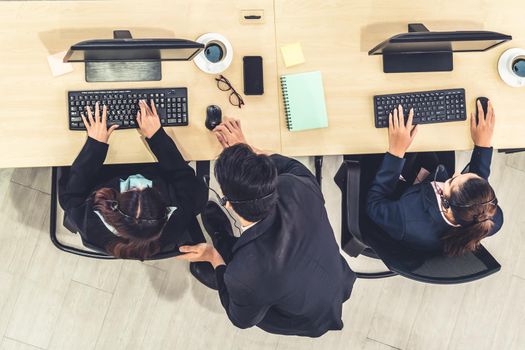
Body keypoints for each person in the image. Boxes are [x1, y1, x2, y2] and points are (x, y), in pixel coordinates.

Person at [176, 118, 356, 338]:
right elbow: (289, 165)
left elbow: (240, 319)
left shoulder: (245, 273)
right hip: (331, 277)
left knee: (229, 267)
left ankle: (219, 246)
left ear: (229, 204)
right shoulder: (297, 186)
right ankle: (221, 236)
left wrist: (213, 256)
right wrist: (248, 152)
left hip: (299, 315)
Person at [59, 100, 208, 260]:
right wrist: (157, 137)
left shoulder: (89, 222)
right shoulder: (183, 211)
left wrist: (95, 145)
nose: (137, 181)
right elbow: (182, 174)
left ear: (114, 207)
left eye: (132, 188)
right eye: (145, 188)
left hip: (105, 169)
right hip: (153, 165)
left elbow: (71, 196)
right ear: (165, 208)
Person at [366, 101, 503, 256]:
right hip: (428, 183)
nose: (456, 173)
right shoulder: (490, 219)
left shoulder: (406, 217)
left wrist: (396, 153)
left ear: (445, 203)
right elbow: (475, 197)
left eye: (452, 181)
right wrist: (482, 146)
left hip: (400, 195)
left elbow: (374, 205)